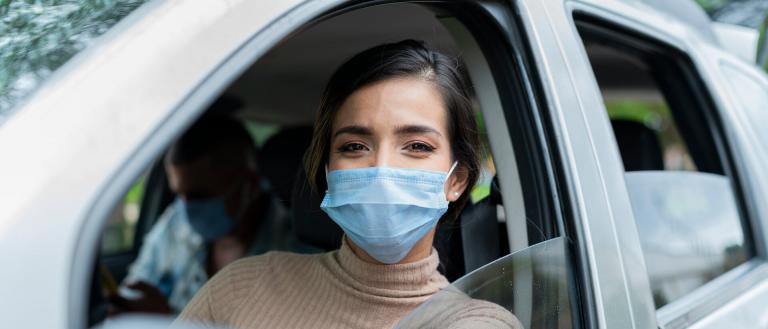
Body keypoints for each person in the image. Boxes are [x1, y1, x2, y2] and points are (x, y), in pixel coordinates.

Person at [177, 40, 522, 328]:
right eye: (354, 147)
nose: (382, 168)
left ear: (457, 180)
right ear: (328, 172)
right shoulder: (240, 287)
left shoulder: (475, 323)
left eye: (417, 146)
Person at [113, 112, 275, 314]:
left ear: (249, 184)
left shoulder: (293, 252)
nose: (186, 208)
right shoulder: (174, 223)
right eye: (179, 196)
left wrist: (167, 322)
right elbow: (137, 286)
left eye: (200, 195)